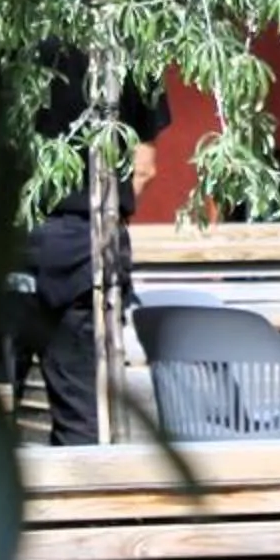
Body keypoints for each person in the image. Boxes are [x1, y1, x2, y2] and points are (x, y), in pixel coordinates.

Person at [24, 41, 172, 445]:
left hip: (12, 237)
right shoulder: (132, 41)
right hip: (88, 241)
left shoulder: (13, 29)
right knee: (83, 413)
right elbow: (144, 167)